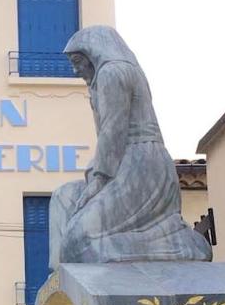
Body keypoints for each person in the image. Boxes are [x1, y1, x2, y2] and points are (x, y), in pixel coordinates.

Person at [49, 25, 212, 267]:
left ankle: (179, 243)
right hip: (119, 164)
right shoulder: (99, 81)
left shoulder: (112, 72)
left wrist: (98, 181)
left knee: (78, 242)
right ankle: (59, 277)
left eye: (77, 61)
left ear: (93, 53)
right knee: (62, 198)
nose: (75, 70)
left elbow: (113, 132)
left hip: (141, 166)